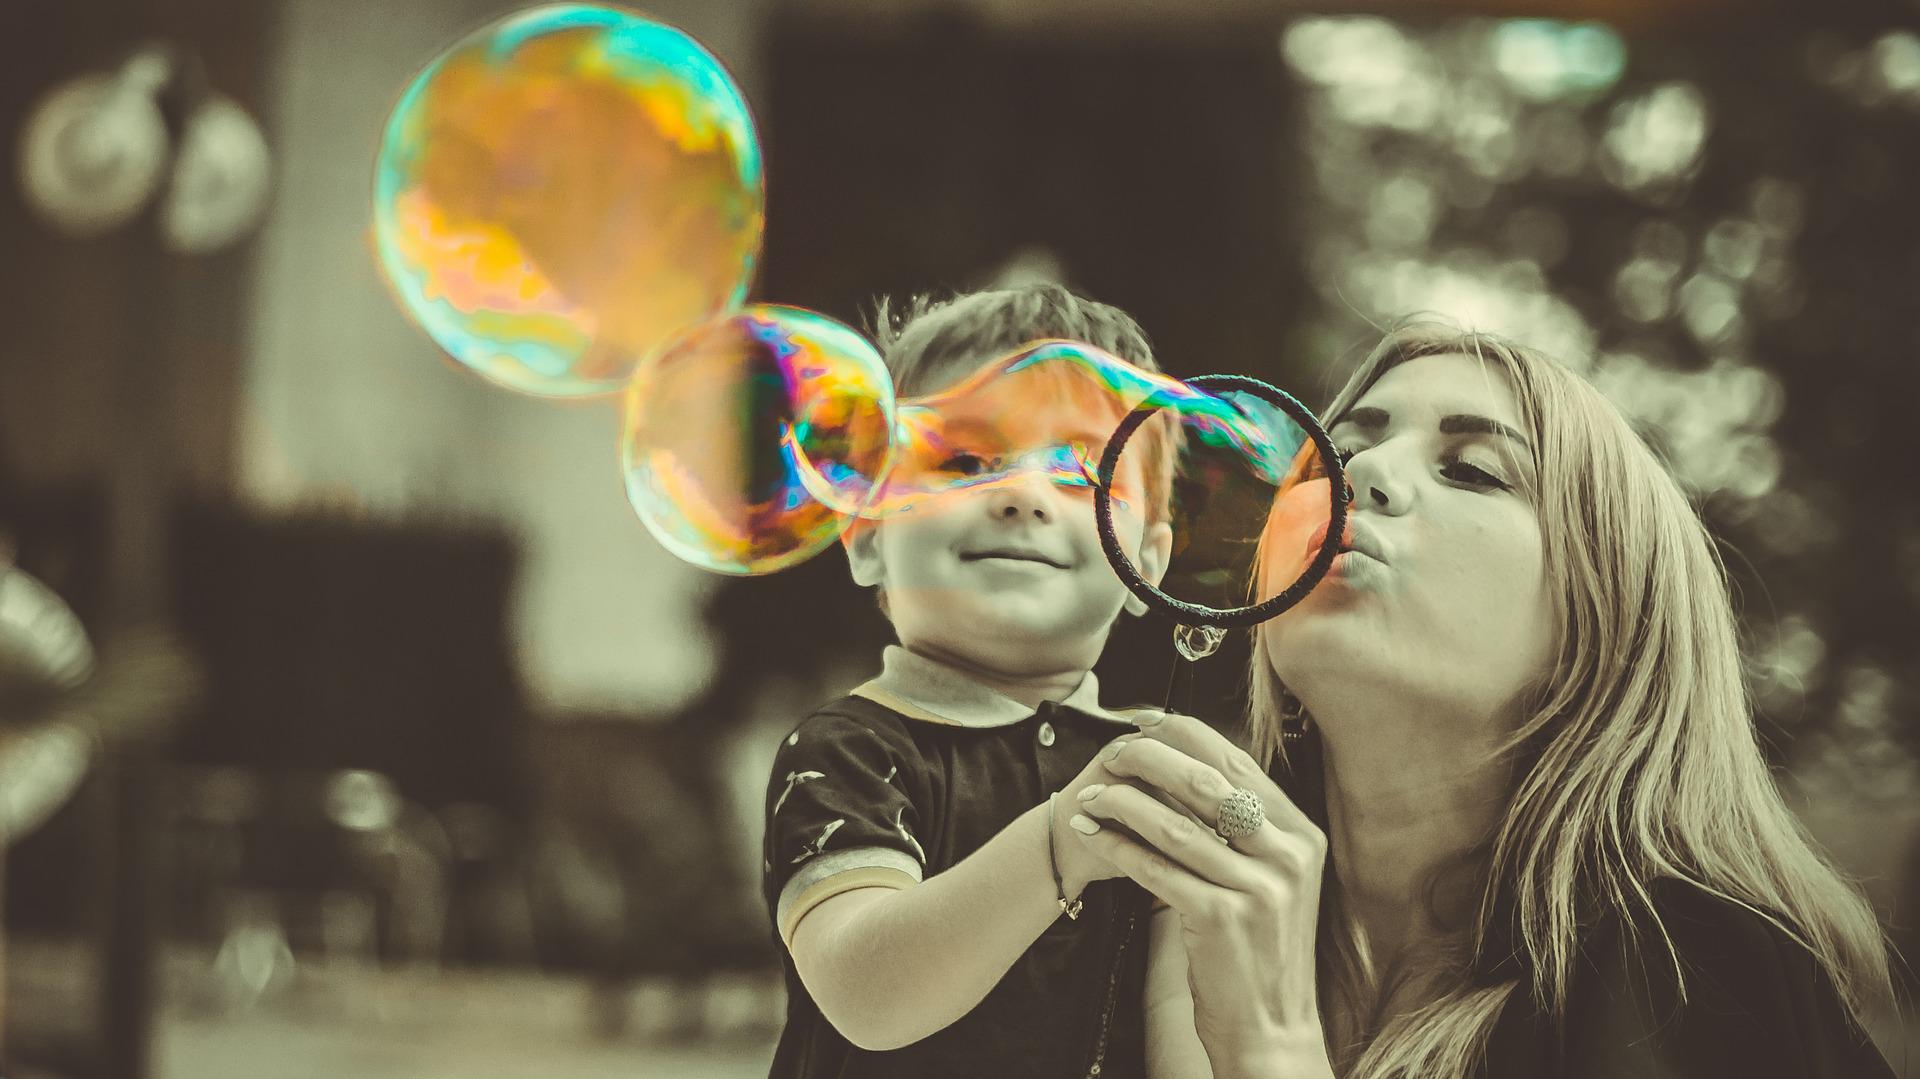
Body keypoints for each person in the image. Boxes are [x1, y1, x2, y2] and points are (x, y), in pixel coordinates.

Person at [1067, 324, 1897, 1078]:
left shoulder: (1704, 975)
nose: (1363, 476)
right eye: (1337, 454)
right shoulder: (1137, 911)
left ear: (1602, 622)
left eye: (1471, 470)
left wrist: (1270, 1049)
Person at [759, 283, 1182, 1078]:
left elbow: (1180, 1038)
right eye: (964, 460)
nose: (1022, 495)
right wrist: (1066, 837)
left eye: (1082, 467)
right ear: (868, 539)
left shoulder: (1152, 767)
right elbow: (868, 993)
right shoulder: (847, 752)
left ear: (1147, 568)